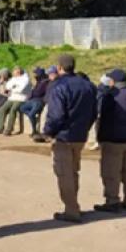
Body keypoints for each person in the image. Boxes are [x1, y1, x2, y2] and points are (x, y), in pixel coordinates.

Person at [43, 54, 97, 223]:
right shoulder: (88, 86)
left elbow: (56, 115)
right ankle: (74, 205)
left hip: (63, 137)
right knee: (73, 172)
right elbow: (93, 112)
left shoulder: (58, 86)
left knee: (64, 174)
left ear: (59, 67)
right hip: (80, 135)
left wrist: (48, 132)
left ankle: (71, 210)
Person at [94, 69, 126, 214]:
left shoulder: (111, 95)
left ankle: (112, 201)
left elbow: (102, 112)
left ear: (112, 81)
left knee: (111, 173)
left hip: (112, 139)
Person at [0, 66, 31, 135]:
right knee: (2, 109)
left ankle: (9, 129)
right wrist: (14, 87)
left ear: (18, 72)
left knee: (13, 110)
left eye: (14, 71)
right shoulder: (13, 79)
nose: (12, 73)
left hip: (21, 98)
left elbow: (20, 89)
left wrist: (13, 88)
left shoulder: (25, 79)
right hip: (12, 97)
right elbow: (7, 87)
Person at [20, 67, 49, 140]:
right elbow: (34, 92)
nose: (34, 75)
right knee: (22, 108)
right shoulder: (38, 81)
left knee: (31, 114)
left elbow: (38, 93)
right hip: (33, 100)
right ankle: (33, 119)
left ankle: (34, 131)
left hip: (39, 101)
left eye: (36, 73)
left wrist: (32, 92)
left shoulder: (45, 82)